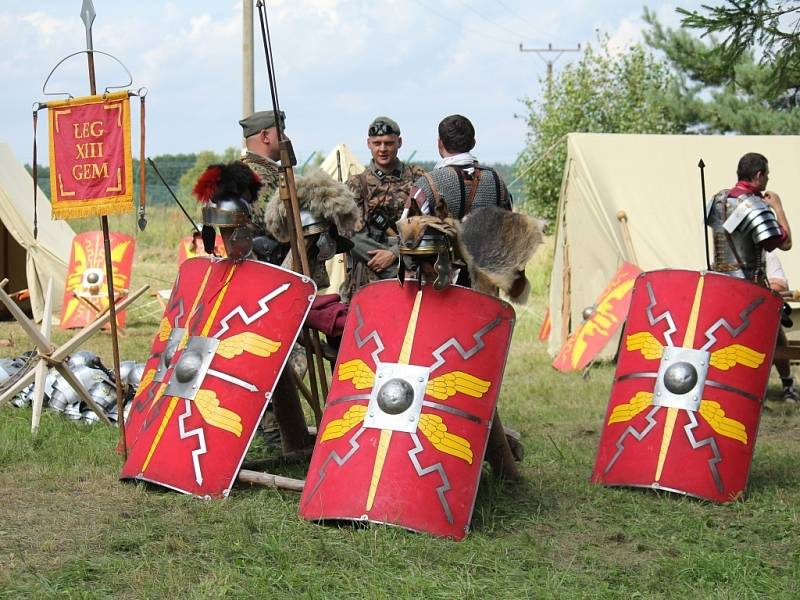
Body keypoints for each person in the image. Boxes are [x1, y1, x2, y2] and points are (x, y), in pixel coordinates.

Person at [343, 116, 425, 299]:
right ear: (368, 144)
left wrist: (395, 253)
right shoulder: (356, 184)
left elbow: (428, 225)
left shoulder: (418, 178)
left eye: (389, 143)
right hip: (368, 281)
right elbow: (351, 237)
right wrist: (392, 268)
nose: (382, 149)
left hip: (413, 277)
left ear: (399, 142)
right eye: (377, 143)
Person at [707, 152, 792, 284]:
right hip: (748, 286)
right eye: (767, 174)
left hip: (719, 282)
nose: (768, 178)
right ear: (759, 175)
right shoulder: (755, 205)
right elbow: (786, 244)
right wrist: (778, 207)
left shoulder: (718, 200)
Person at [409, 114, 512, 220]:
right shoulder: (496, 181)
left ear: (440, 143)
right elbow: (509, 225)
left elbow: (407, 229)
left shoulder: (426, 184)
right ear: (473, 143)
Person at [239, 110, 286, 235]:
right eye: (281, 132)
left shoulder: (265, 171)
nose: (286, 138)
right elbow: (273, 226)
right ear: (265, 136)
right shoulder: (258, 176)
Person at [766, 252, 798, 402]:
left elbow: (779, 285)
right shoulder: (721, 256)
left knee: (774, 333)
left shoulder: (766, 255)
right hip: (732, 313)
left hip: (762, 307)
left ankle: (787, 383)